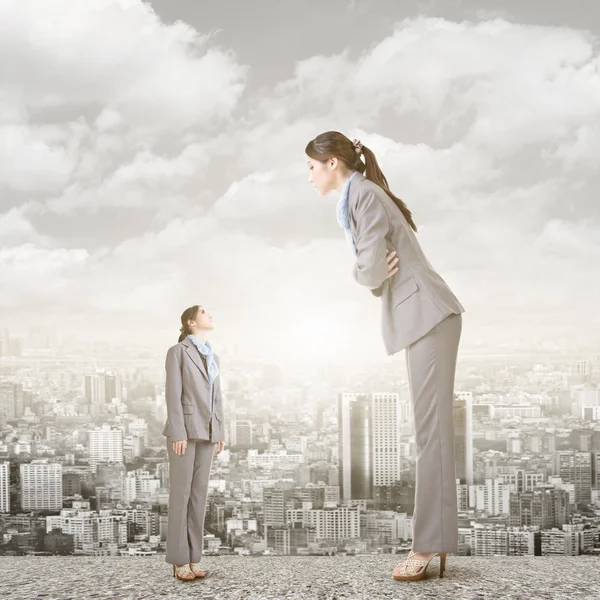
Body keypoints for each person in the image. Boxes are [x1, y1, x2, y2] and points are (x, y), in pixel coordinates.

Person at [306, 131, 465, 581]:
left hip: (428, 316)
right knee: (429, 432)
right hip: (423, 315)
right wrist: (372, 272)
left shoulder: (365, 198)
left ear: (333, 162)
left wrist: (361, 272)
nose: (310, 177)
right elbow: (378, 271)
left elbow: (372, 271)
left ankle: (427, 546)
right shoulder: (359, 196)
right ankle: (434, 543)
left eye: (312, 168)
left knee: (430, 435)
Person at [162, 304, 226, 582]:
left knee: (199, 496)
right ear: (190, 322)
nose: (210, 315)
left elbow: (217, 397)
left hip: (208, 432)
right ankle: (179, 561)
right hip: (185, 432)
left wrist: (220, 432)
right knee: (181, 495)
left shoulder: (213, 356)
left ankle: (194, 558)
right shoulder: (177, 352)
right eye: (204, 312)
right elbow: (173, 394)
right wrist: (178, 432)